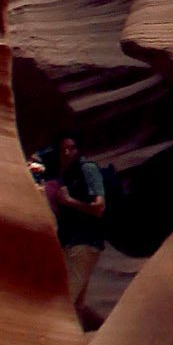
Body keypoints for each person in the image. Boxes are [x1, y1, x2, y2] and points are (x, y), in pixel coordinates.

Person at [35, 131, 109, 325]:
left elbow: (99, 208)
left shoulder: (87, 169)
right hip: (74, 244)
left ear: (79, 149)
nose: (67, 153)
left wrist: (69, 201)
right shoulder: (66, 174)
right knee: (75, 306)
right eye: (63, 149)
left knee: (63, 302)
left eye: (72, 148)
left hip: (83, 244)